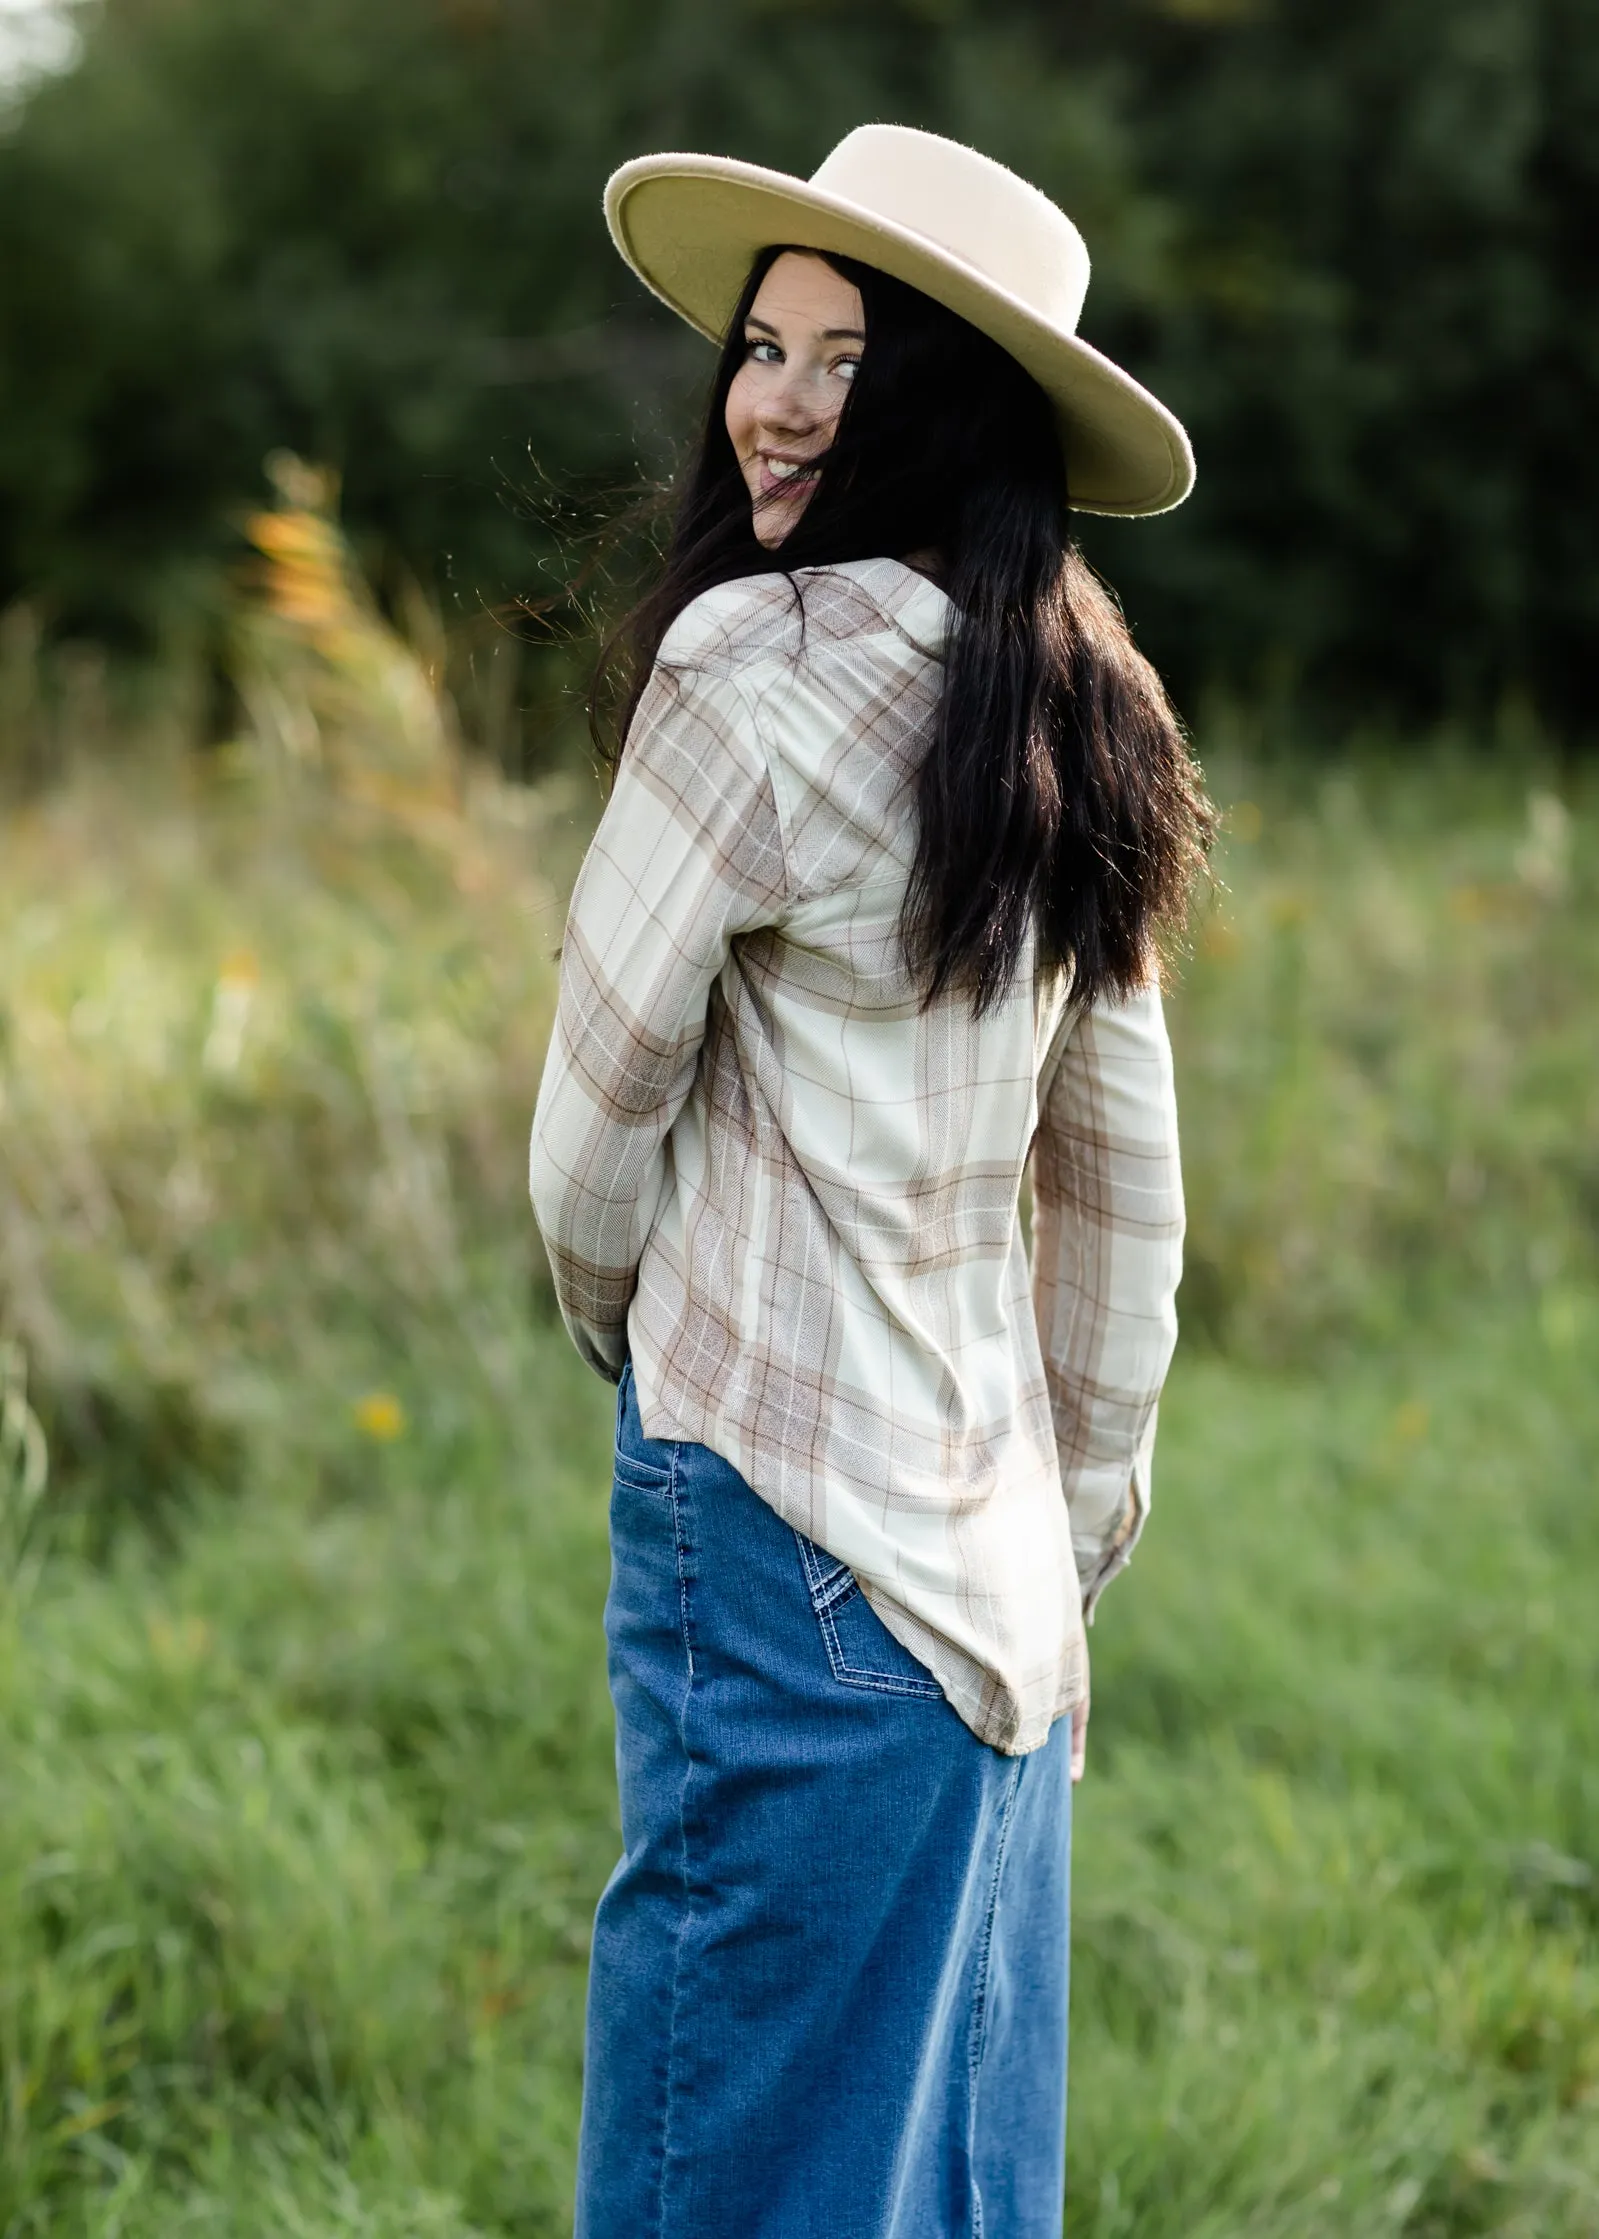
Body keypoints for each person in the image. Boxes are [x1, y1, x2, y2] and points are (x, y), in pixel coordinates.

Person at [530, 121, 1210, 2239]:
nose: (774, 400)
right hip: (990, 1571)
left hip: (774, 1510)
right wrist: (1072, 1520)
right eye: (763, 345)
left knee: (719, 2166)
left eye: (849, 359)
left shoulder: (754, 673)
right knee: (942, 2178)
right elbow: (1124, 1196)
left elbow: (590, 1126)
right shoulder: (1085, 704)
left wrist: (638, 1342)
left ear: (949, 403)